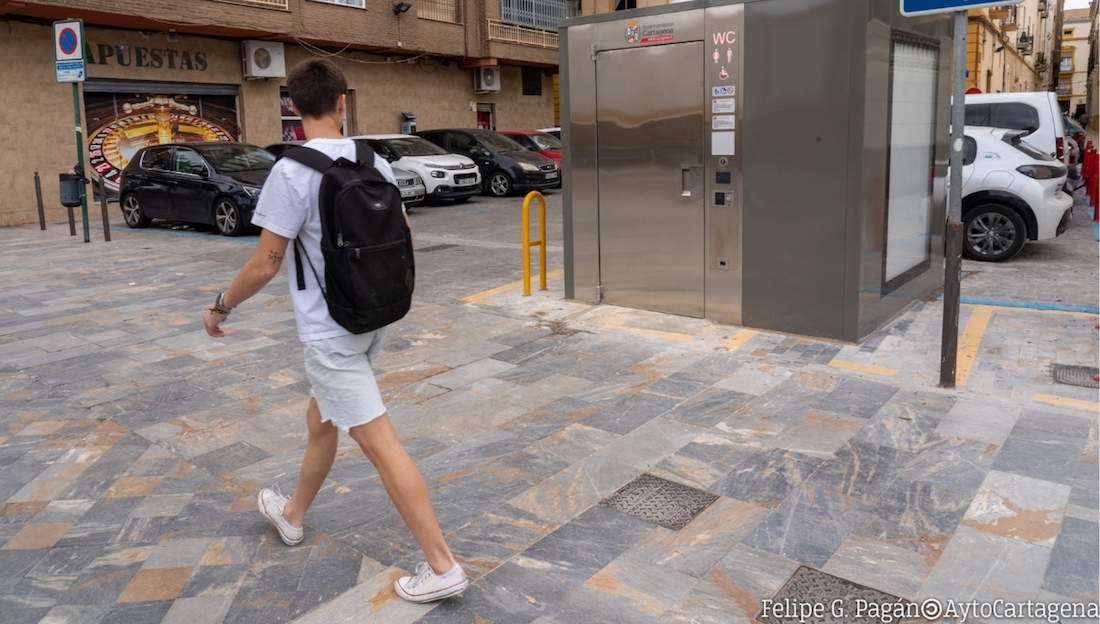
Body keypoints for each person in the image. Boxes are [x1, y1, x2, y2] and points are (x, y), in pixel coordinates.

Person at [202, 58, 467, 604]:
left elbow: (265, 263)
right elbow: (403, 233)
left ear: (293, 107)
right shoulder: (374, 160)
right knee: (321, 422)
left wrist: (221, 306)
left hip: (330, 332)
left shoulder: (290, 171)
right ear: (343, 101)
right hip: (373, 317)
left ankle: (442, 566)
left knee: (382, 446)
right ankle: (292, 515)